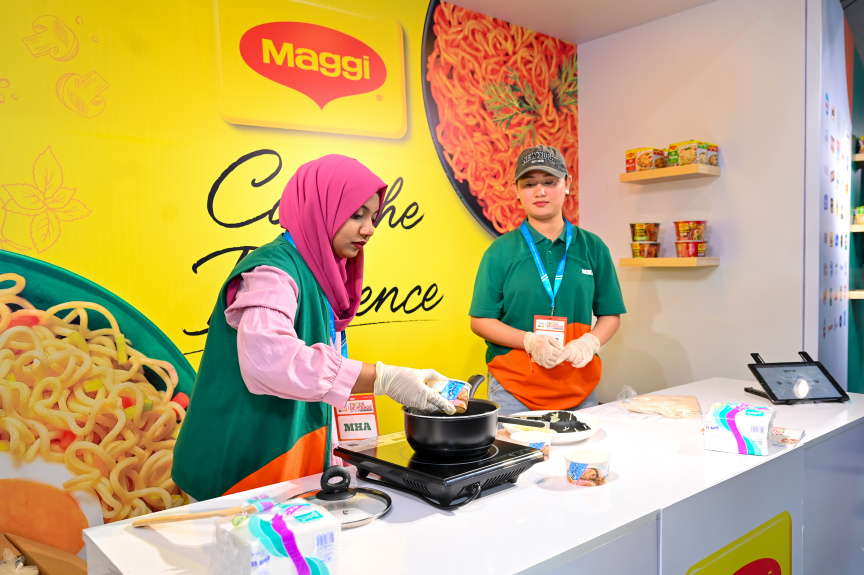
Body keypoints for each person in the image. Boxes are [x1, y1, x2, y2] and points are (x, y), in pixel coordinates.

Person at [173, 155, 455, 502]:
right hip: (237, 464)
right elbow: (270, 360)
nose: (369, 229)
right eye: (357, 215)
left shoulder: (321, 271)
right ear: (320, 210)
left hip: (282, 461)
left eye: (373, 217)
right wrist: (383, 378)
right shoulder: (272, 272)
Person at [469, 144, 626, 417]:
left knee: (581, 447)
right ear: (517, 190)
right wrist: (530, 341)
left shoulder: (592, 247)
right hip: (513, 391)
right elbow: (481, 321)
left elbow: (610, 315)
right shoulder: (500, 252)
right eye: (529, 184)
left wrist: (589, 342)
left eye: (550, 182)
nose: (540, 191)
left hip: (579, 389)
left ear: (567, 185)